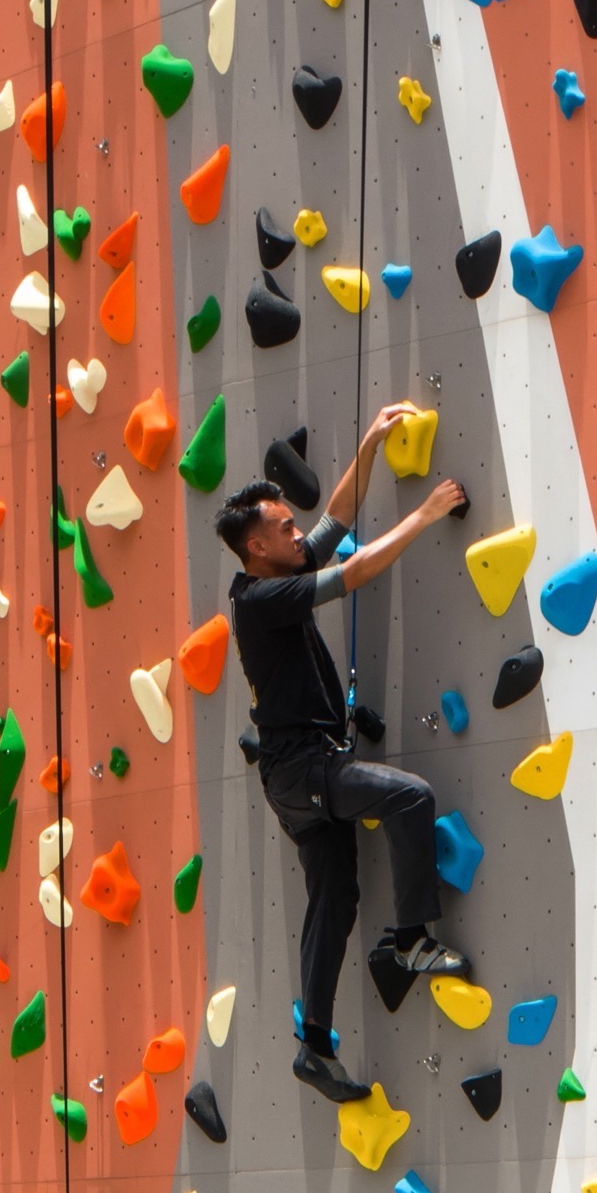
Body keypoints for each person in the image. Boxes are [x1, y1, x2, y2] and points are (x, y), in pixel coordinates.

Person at [216, 404, 469, 1103]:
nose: (300, 533)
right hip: (305, 767)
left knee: (335, 900)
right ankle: (415, 939)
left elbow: (332, 520)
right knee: (409, 796)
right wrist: (423, 515)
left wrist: (370, 443)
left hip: (295, 779)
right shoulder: (266, 598)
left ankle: (315, 1046)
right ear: (258, 549)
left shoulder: (273, 577)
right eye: (284, 528)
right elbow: (349, 573)